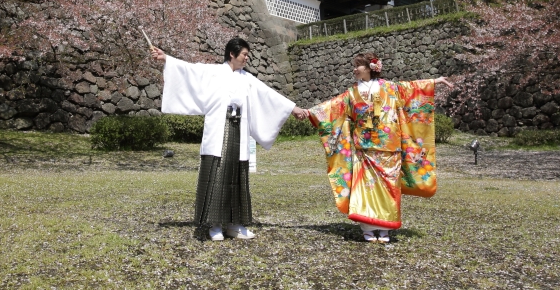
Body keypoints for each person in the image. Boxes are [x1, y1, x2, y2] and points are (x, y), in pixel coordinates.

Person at [151, 37, 309, 241]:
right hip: (218, 128)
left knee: (236, 175)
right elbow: (190, 70)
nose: (246, 58)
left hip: (238, 130)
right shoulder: (214, 72)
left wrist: (292, 109)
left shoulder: (247, 78)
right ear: (232, 54)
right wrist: (167, 59)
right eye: (244, 54)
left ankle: (235, 224)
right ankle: (214, 224)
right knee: (216, 174)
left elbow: (268, 94)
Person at [307, 52, 454, 243]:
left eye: (357, 65)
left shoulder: (390, 87)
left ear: (369, 68)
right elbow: (332, 107)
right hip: (364, 148)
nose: (354, 69)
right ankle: (367, 228)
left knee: (389, 187)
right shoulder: (351, 93)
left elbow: (412, 88)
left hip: (389, 147)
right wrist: (309, 112)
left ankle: (385, 228)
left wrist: (435, 81)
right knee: (365, 188)